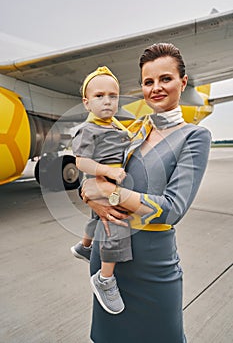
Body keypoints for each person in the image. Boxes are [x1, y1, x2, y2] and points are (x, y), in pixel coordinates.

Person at [81, 43, 212, 342]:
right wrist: (90, 196)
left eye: (165, 79)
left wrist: (108, 194)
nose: (156, 88)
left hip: (153, 264)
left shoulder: (194, 136)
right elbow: (92, 178)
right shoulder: (133, 130)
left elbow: (172, 208)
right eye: (148, 81)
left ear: (183, 81)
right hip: (108, 260)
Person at [71, 66, 145, 315]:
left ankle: (84, 246)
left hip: (112, 183)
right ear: (86, 102)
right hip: (103, 183)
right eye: (99, 96)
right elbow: (81, 162)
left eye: (113, 96)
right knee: (116, 223)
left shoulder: (113, 126)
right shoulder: (88, 130)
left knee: (97, 218)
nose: (107, 101)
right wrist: (109, 171)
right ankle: (105, 278)